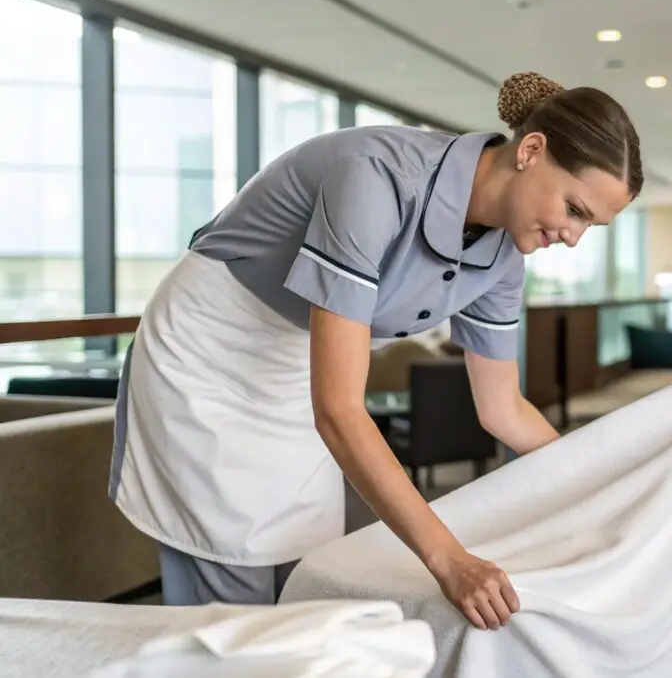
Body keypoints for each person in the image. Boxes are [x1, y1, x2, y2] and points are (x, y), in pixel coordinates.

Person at [108, 71, 643, 630]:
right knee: (232, 593)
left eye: (594, 226)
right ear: (531, 150)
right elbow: (338, 410)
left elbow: (503, 409)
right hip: (214, 354)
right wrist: (449, 558)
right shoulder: (379, 177)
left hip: (300, 366)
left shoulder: (505, 257)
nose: (574, 237)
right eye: (575, 210)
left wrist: (597, 484)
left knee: (304, 572)